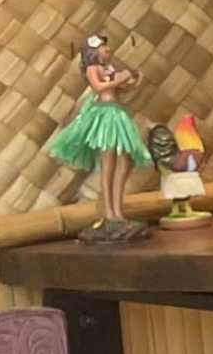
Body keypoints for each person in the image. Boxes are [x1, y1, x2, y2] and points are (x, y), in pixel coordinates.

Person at [42, 36, 151, 243]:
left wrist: (134, 80)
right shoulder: (93, 69)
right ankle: (110, 212)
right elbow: (100, 88)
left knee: (126, 160)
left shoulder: (109, 67)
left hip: (117, 113)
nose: (107, 49)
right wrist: (119, 79)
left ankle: (118, 210)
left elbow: (122, 88)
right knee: (108, 161)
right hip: (105, 114)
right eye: (103, 47)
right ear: (94, 51)